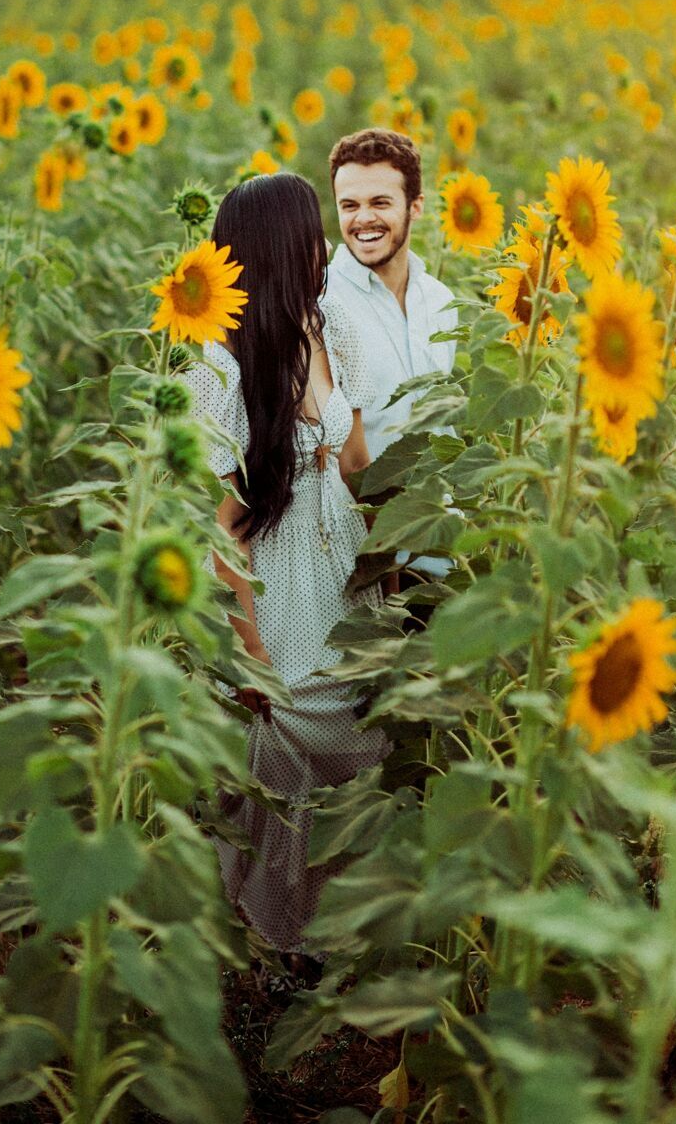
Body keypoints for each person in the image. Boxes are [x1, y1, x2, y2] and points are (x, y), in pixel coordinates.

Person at [186, 172, 389, 968]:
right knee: (284, 745)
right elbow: (222, 531)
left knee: (366, 743)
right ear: (280, 249)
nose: (325, 247)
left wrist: (390, 564)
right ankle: (276, 949)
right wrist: (250, 650)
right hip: (277, 584)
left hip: (344, 568)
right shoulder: (222, 368)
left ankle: (336, 939)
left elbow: (356, 459)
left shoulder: (332, 330)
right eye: (312, 234)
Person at [324, 127, 458, 583]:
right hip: (361, 560)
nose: (363, 219)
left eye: (380, 203)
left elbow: (443, 429)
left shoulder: (441, 302)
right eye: (349, 205)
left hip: (440, 554)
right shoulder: (321, 303)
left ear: (415, 206)